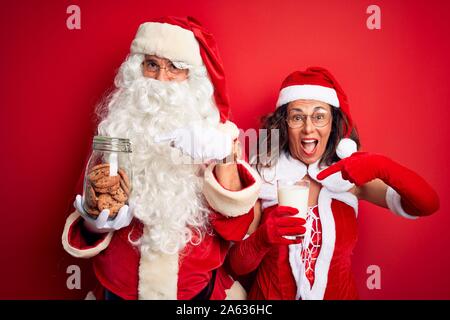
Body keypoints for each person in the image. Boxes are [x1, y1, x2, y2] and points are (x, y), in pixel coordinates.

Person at [61, 16, 261, 300]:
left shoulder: (215, 138)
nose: (160, 79)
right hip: (119, 292)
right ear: (137, 70)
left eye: (175, 68)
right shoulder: (114, 130)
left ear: (193, 79)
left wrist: (223, 155)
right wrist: (96, 224)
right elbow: (88, 207)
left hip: (194, 295)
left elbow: (237, 227)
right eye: (152, 65)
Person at [226, 67, 440, 300]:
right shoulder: (263, 175)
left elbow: (427, 204)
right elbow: (236, 267)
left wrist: (382, 166)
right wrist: (262, 239)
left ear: (332, 123)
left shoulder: (349, 176)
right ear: (285, 124)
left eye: (319, 116)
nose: (308, 128)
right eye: (297, 117)